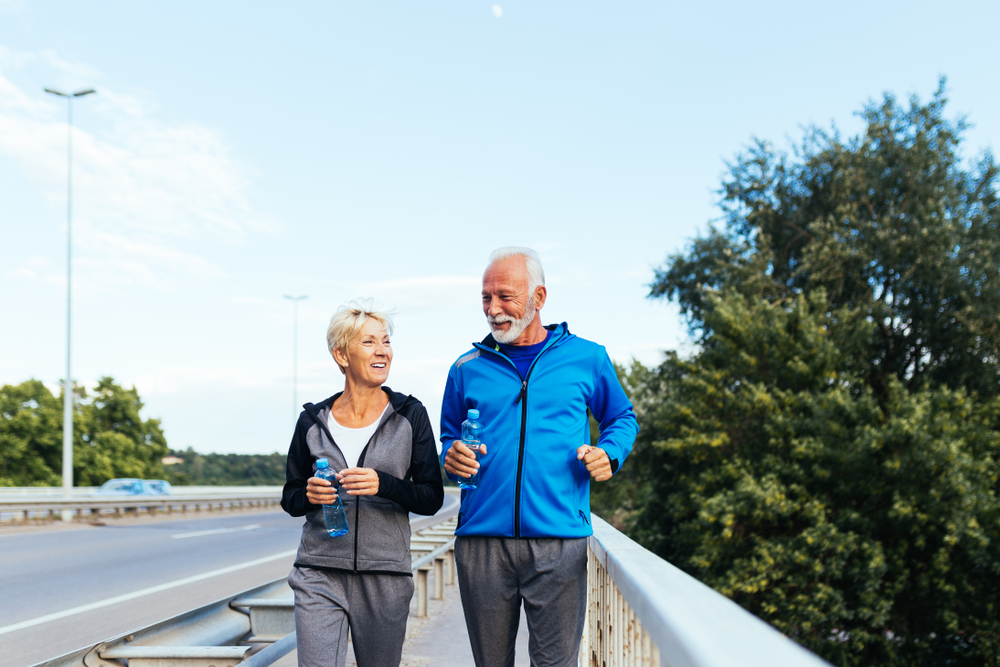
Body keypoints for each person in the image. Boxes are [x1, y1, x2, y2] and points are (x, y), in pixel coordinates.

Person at [441, 247, 638, 667]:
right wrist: (450, 454)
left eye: (505, 297)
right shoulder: (465, 367)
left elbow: (622, 417)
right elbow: (447, 436)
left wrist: (610, 453)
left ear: (539, 298)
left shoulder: (588, 358)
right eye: (485, 297)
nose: (493, 310)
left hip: (559, 543)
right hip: (481, 544)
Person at [281, 299, 444, 667]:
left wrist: (384, 484)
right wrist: (308, 494)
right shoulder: (312, 421)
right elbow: (290, 497)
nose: (382, 350)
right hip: (319, 573)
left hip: (385, 576)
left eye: (386, 341)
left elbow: (432, 496)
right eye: (369, 342)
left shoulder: (409, 414)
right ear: (342, 355)